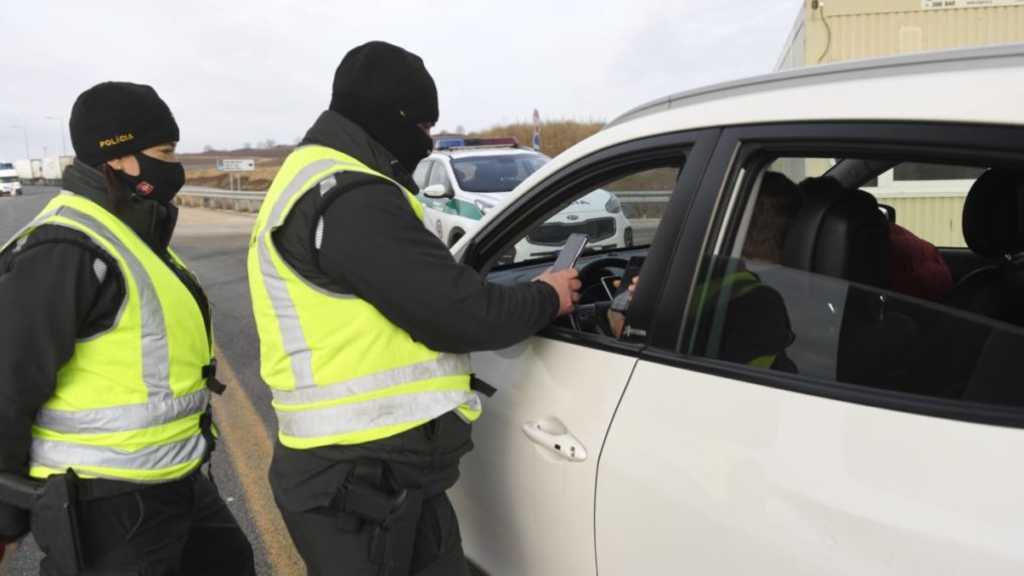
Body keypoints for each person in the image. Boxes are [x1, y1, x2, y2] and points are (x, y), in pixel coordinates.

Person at [247, 42, 580, 575]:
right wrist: (549, 294)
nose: (427, 140)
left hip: (377, 472)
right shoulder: (350, 195)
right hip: (358, 479)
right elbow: (457, 313)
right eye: (423, 125)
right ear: (389, 115)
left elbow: (419, 286)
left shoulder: (323, 176)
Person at [0, 82, 254, 575]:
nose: (174, 165)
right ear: (117, 157)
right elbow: (7, 383)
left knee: (230, 563)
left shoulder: (130, 230)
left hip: (176, 481)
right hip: (106, 502)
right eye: (164, 151)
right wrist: (4, 520)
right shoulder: (68, 246)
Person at [609, 172, 799, 371]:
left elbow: (680, 371)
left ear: (728, 219)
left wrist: (627, 332)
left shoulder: (759, 302)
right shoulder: (798, 287)